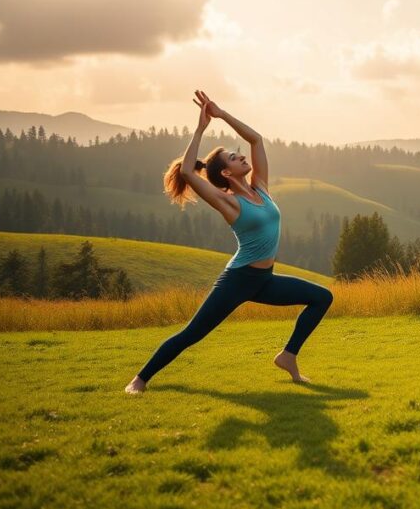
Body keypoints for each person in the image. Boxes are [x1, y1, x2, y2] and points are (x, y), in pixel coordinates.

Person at [124, 90, 332, 394]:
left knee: (322, 297)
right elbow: (185, 171)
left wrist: (221, 114)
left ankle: (288, 356)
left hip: (264, 279)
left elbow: (257, 140)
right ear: (225, 172)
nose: (243, 157)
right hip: (239, 279)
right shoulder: (227, 202)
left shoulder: (260, 188)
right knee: (193, 333)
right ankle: (139, 380)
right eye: (235, 158)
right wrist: (200, 129)